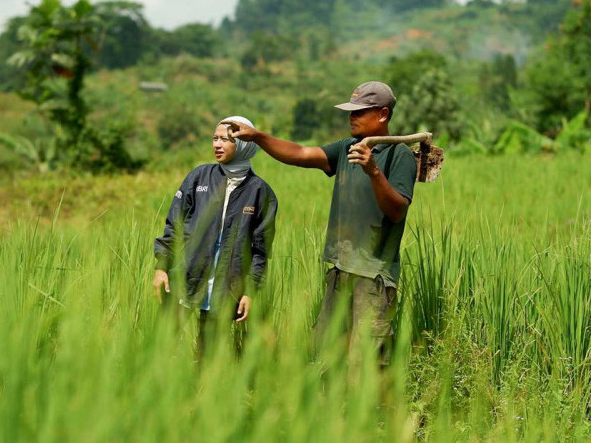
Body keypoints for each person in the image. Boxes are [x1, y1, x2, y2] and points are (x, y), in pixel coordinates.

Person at [223, 81, 417, 366]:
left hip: (372, 277)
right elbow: (301, 154)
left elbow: (397, 211)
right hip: (339, 271)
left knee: (364, 364)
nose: (351, 117)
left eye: (359, 112)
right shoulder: (346, 148)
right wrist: (257, 137)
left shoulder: (399, 156)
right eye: (350, 112)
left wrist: (373, 171)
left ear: (383, 115)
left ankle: (371, 411)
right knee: (328, 356)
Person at [153, 116, 278, 356]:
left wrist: (250, 291)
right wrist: (161, 267)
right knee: (162, 344)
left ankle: (203, 392)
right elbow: (174, 225)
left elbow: (260, 251)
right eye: (215, 138)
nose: (217, 145)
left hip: (225, 285)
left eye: (225, 139)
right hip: (185, 276)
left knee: (208, 353)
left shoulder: (260, 192)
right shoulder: (198, 177)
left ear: (244, 145)